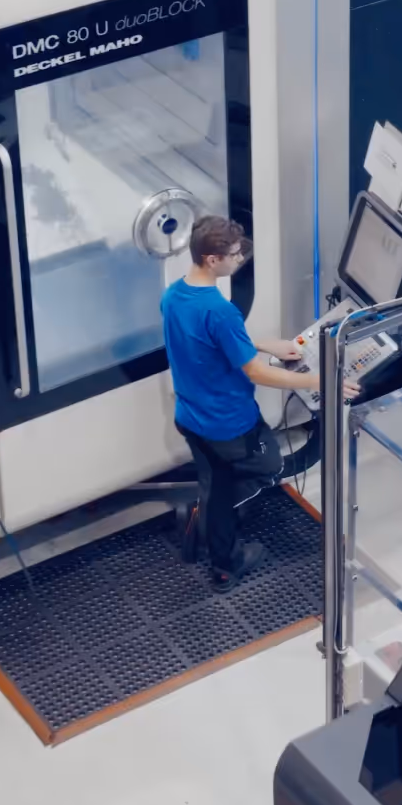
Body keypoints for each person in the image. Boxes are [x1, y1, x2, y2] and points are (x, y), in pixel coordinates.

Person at [162, 215, 327, 590]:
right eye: (234, 254)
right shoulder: (220, 311)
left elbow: (207, 345)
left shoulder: (174, 296)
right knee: (269, 465)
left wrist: (267, 343)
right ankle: (225, 562)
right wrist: (318, 378)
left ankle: (207, 518)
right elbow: (257, 373)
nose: (240, 259)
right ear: (211, 259)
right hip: (229, 425)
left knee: (216, 480)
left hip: (190, 416)